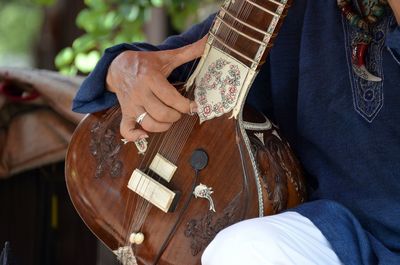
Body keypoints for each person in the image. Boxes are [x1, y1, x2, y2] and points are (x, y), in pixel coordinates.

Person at [72, 0, 400, 264]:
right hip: (335, 234)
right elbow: (172, 66)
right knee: (244, 249)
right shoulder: (286, 9)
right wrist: (124, 71)